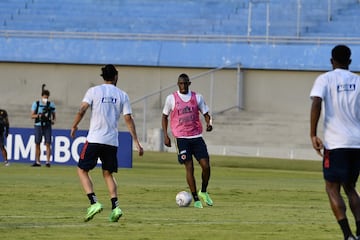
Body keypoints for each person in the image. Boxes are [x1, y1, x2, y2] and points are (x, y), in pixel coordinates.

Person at [70, 64, 144, 222]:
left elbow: (82, 109)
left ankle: (94, 202)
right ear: (116, 76)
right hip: (111, 141)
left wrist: (75, 125)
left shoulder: (93, 91)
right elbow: (128, 119)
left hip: (95, 139)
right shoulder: (122, 95)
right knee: (108, 174)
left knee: (82, 170)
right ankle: (116, 207)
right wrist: (136, 140)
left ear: (103, 77)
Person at [310, 45, 360, 240]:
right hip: (356, 143)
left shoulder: (325, 79)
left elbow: (316, 102)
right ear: (350, 61)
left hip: (335, 143)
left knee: (332, 187)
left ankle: (347, 235)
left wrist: (312, 134)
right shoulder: (358, 81)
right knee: (350, 187)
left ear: (332, 61)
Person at [162, 73, 213, 209]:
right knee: (189, 167)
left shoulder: (197, 97)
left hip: (196, 136)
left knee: (206, 166)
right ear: (178, 84)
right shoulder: (171, 99)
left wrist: (209, 123)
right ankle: (195, 198)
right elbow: (164, 116)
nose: (183, 86)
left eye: (185, 83)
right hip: (181, 138)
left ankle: (203, 191)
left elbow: (206, 114)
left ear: (189, 84)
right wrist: (165, 135)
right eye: (181, 83)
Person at [30, 84, 56, 167]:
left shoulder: (51, 105)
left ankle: (48, 162)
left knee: (48, 143)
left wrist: (52, 120)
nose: (45, 98)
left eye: (47, 97)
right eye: (44, 97)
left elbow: (54, 115)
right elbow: (32, 115)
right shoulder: (36, 104)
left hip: (47, 125)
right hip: (38, 125)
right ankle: (37, 161)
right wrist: (39, 115)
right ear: (42, 96)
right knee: (37, 143)